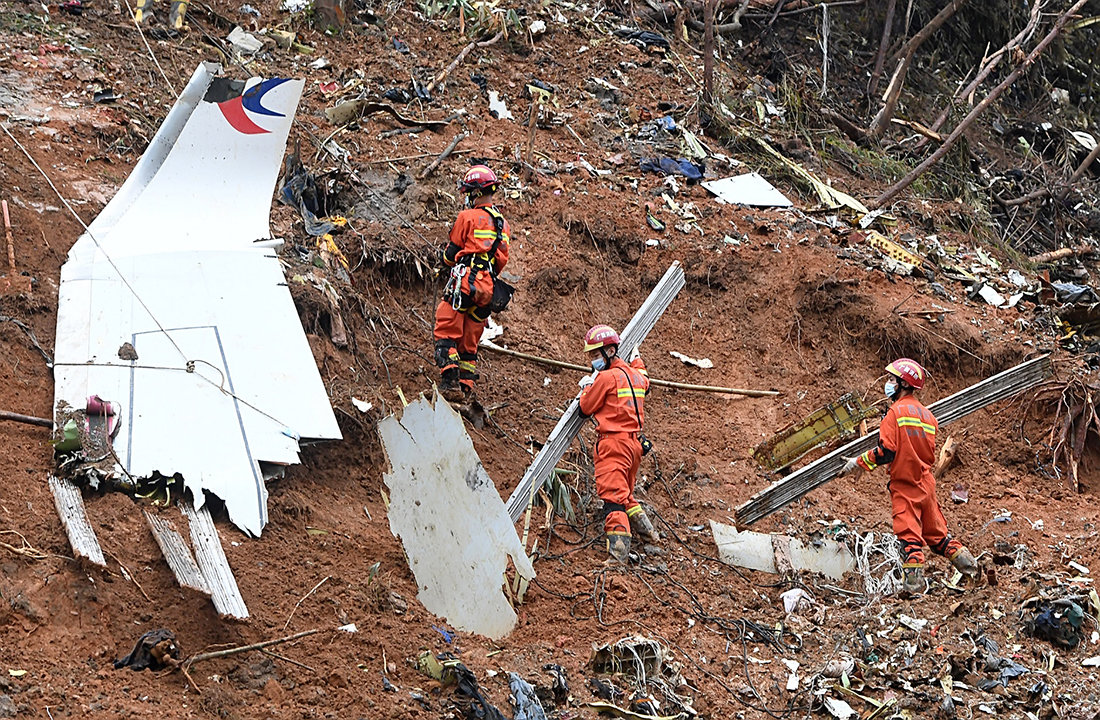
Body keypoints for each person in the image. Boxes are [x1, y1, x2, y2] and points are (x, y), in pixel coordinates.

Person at [840, 358, 978, 594]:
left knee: (910, 540)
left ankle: (912, 588)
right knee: (938, 537)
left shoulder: (894, 413)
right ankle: (971, 567)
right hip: (926, 483)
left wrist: (859, 463)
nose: (887, 384)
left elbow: (887, 451)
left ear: (904, 384)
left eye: (892, 380)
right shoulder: (928, 416)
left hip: (905, 485)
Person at [577, 324, 659, 562]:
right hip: (634, 446)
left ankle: (618, 556)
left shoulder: (606, 378)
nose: (592, 360)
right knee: (626, 494)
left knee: (614, 499)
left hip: (613, 446)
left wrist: (586, 388)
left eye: (595, 355)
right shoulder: (635, 376)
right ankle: (649, 534)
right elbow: (645, 379)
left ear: (610, 351)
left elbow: (585, 408)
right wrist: (638, 359)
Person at [433, 165, 512, 402]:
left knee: (446, 326)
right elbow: (501, 260)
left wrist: (445, 262)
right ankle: (466, 387)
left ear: (475, 192)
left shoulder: (466, 217)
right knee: (470, 336)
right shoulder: (503, 224)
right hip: (488, 288)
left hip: (465, 281)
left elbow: (451, 253)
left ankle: (449, 383)